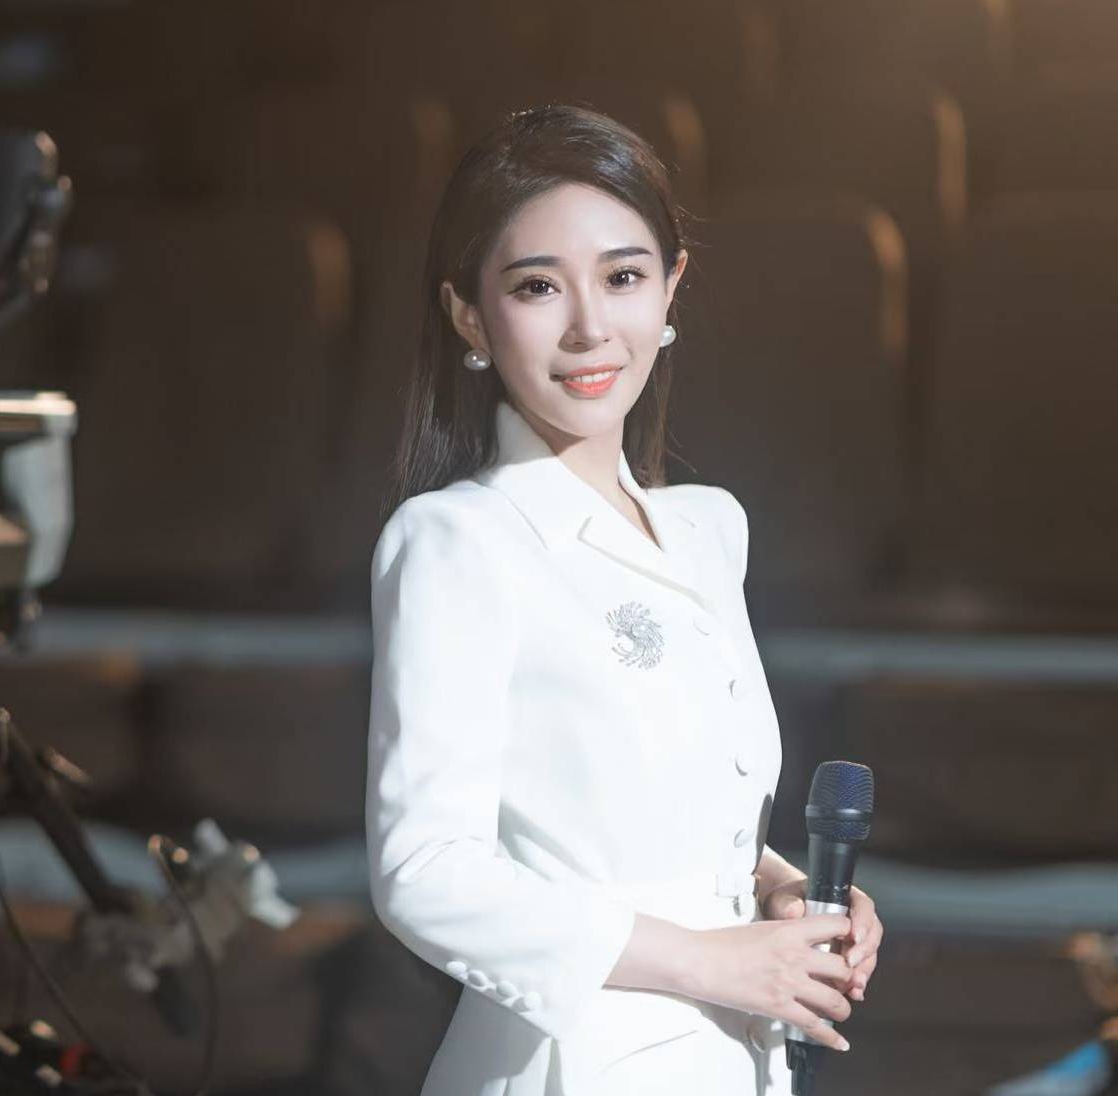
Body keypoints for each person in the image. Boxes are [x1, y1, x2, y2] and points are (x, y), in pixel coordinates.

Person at [365, 103, 884, 1096]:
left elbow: (669, 824)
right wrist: (711, 962)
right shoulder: (458, 539)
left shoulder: (706, 528)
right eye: (536, 286)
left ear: (671, 286)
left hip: (734, 1059)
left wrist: (782, 890)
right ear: (469, 316)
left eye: (622, 276)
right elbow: (424, 871)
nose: (590, 327)